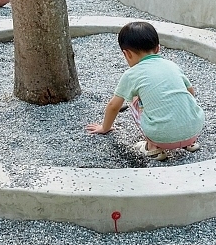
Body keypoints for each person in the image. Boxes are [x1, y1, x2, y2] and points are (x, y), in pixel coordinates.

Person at [86, 21, 205, 161]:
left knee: (134, 100)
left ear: (127, 54)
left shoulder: (132, 74)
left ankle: (153, 148)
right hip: (195, 128)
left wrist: (105, 127)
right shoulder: (172, 65)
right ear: (158, 48)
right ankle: (190, 143)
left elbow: (114, 105)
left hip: (162, 137)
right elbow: (190, 92)